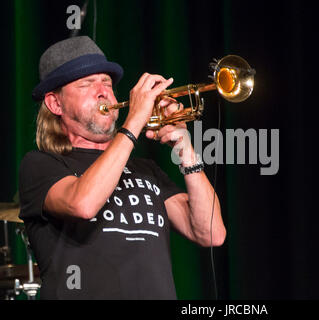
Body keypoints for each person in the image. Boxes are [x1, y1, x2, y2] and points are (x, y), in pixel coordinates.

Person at [18, 36, 226, 300]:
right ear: (55, 104)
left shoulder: (146, 169)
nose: (103, 91)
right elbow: (83, 203)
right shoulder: (41, 165)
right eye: (86, 84)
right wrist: (135, 120)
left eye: (106, 82)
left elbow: (211, 233)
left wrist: (186, 149)